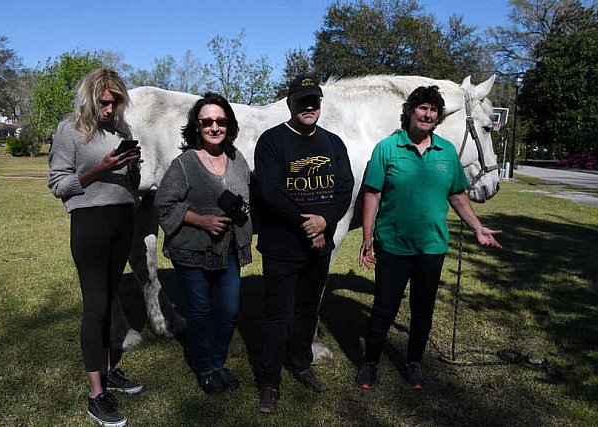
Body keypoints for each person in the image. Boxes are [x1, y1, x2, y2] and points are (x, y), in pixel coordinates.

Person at [355, 85, 503, 391]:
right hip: (393, 245)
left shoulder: (446, 151)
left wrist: (477, 226)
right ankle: (370, 363)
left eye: (433, 110)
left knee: (423, 309)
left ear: (438, 118)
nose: (428, 114)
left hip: (432, 247)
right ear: (410, 111)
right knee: (384, 307)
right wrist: (367, 238)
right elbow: (372, 194)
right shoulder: (387, 148)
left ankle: (413, 364)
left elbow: (458, 194)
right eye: (422, 108)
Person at [253, 75, 354, 414]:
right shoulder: (271, 141)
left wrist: (325, 221)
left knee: (309, 309)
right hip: (282, 245)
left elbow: (344, 187)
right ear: (289, 103)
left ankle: (301, 363)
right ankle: (269, 381)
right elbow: (270, 191)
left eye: (314, 101)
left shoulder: (333, 143)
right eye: (302, 101)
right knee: (277, 315)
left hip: (319, 245)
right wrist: (305, 221)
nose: (309, 107)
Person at [48, 68, 143, 427]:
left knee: (111, 300)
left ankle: (107, 371)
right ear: (90, 99)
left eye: (116, 101)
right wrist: (97, 170)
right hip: (89, 223)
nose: (109, 108)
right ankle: (95, 395)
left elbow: (130, 186)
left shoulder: (122, 131)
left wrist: (132, 168)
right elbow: (59, 185)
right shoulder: (69, 130)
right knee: (96, 306)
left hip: (122, 220)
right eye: (104, 102)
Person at [154, 93, 253, 395]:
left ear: (229, 125)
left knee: (228, 311)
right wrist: (201, 220)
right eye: (207, 121)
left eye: (220, 121)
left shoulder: (237, 160)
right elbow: (163, 204)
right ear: (197, 126)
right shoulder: (185, 164)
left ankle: (218, 362)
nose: (214, 127)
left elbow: (248, 195)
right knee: (200, 311)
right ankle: (205, 368)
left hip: (230, 249)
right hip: (192, 250)